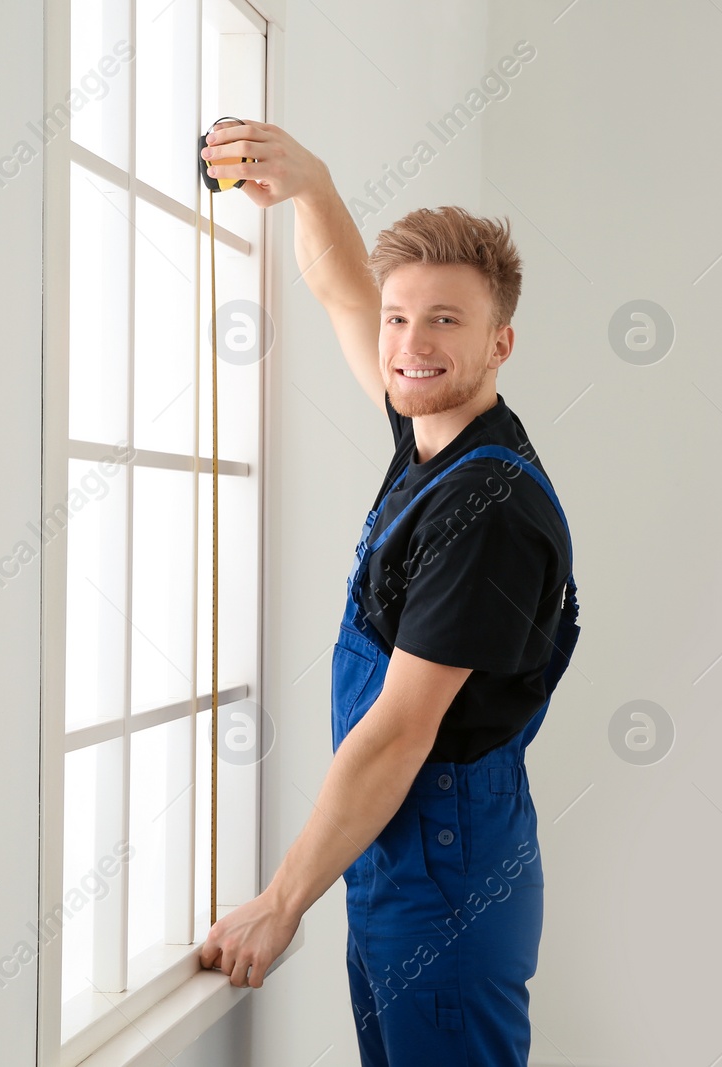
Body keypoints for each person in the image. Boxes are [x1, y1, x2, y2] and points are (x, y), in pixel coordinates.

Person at [198, 120, 581, 1066]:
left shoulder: (484, 510)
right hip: (401, 846)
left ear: (502, 340)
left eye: (444, 320)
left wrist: (280, 903)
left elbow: (400, 731)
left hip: (443, 862)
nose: (408, 344)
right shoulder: (434, 432)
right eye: (398, 319)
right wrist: (313, 188)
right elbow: (339, 291)